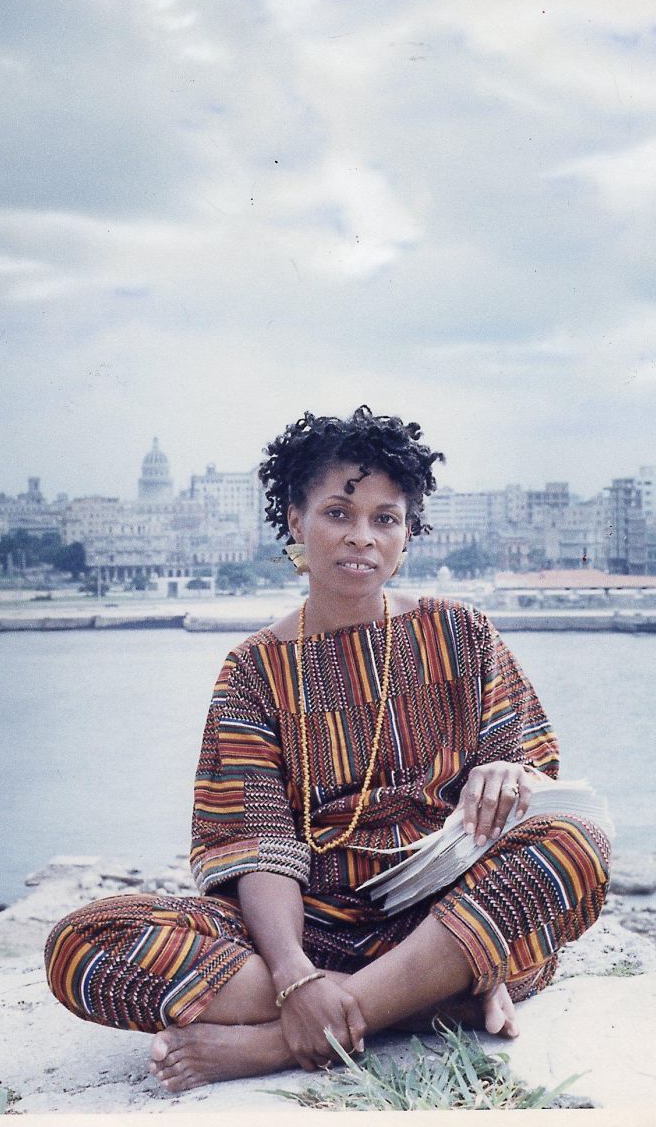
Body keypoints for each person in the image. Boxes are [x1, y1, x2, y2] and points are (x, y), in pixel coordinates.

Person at [45, 406, 611, 1093]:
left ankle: (290, 1040)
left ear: (409, 531)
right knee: (81, 943)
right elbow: (257, 842)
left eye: (385, 518)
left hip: (444, 914)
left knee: (577, 842)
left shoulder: (462, 634)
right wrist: (293, 975)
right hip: (310, 927)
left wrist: (505, 770)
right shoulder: (254, 670)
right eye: (339, 512)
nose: (362, 537)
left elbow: (531, 775)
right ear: (295, 518)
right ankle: (425, 1002)